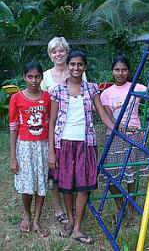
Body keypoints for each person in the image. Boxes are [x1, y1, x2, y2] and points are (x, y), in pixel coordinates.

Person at [48, 50, 115, 244]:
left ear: (85, 67)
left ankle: (77, 228)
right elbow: (51, 122)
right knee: (66, 186)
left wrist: (118, 130)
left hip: (86, 144)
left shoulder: (92, 89)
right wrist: (51, 151)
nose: (76, 68)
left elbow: (102, 115)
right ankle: (69, 220)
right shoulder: (57, 91)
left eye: (80, 65)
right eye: (73, 64)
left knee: (84, 186)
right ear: (67, 66)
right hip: (64, 144)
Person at [41, 36, 86, 224]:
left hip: (73, 132)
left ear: (67, 52)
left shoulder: (77, 70)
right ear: (50, 55)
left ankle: (73, 206)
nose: (58, 54)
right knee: (53, 170)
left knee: (71, 169)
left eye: (61, 50)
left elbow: (85, 97)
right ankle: (58, 208)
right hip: (50, 128)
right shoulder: (44, 76)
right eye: (54, 51)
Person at [100, 54, 149, 218]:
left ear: (128, 71)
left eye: (124, 70)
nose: (120, 73)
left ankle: (131, 206)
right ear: (112, 71)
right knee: (111, 173)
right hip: (114, 136)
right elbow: (109, 117)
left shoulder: (137, 87)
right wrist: (121, 127)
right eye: (117, 69)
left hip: (135, 135)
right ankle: (120, 203)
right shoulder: (106, 93)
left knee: (132, 174)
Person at [9, 62, 50, 236]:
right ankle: (26, 214)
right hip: (24, 146)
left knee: (41, 182)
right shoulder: (16, 98)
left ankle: (36, 219)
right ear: (24, 77)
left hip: (43, 146)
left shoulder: (48, 97)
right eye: (30, 76)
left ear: (42, 77)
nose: (34, 80)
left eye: (37, 76)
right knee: (27, 184)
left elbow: (49, 122)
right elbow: (13, 127)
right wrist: (13, 156)